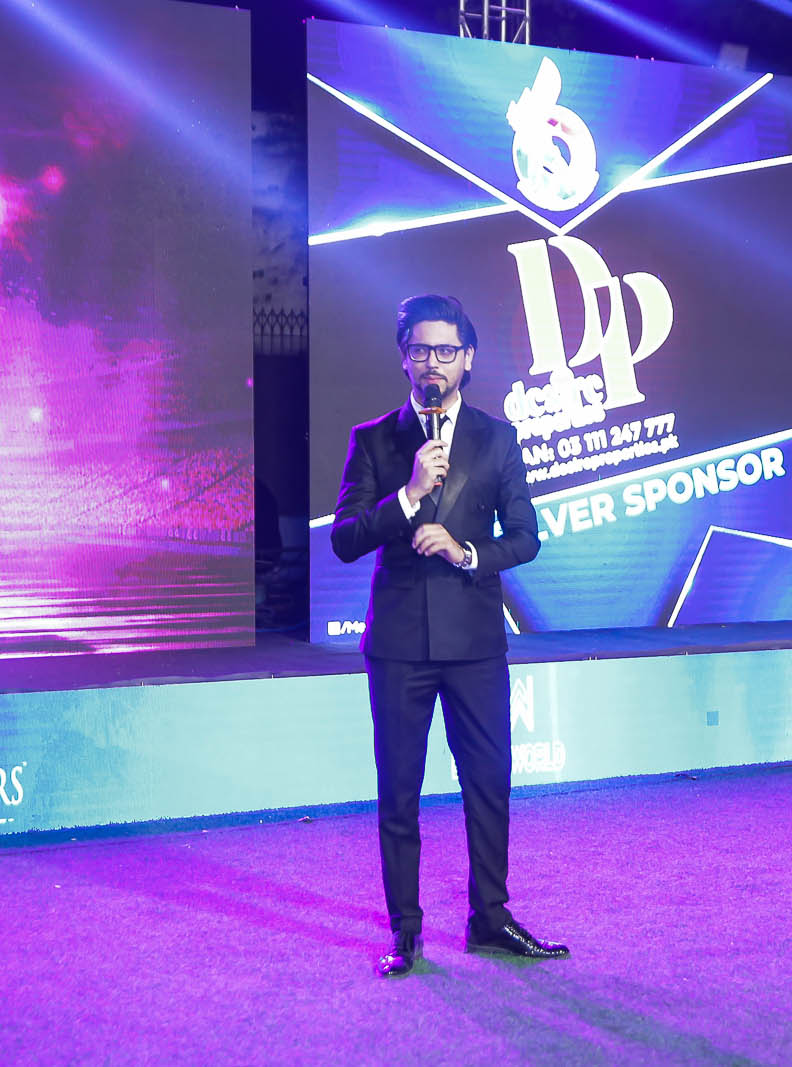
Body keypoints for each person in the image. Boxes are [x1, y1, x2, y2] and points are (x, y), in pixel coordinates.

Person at [330, 293, 568, 978]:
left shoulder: (498, 438)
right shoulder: (374, 439)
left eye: (445, 350)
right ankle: (405, 931)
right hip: (399, 645)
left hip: (474, 643)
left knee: (488, 782)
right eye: (420, 349)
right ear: (403, 358)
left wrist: (466, 552)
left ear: (468, 358)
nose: (432, 362)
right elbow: (345, 538)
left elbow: (525, 537)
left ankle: (490, 918)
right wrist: (407, 497)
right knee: (400, 791)